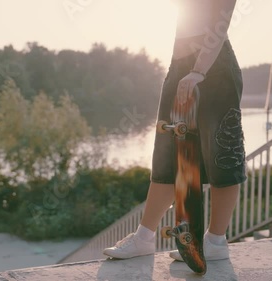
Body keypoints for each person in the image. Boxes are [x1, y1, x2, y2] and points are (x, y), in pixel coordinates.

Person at [103, 0, 246, 262]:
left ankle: (215, 241)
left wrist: (198, 70)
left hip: (212, 67)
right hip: (179, 63)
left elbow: (220, 23)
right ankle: (144, 238)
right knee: (168, 155)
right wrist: (185, 69)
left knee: (223, 154)